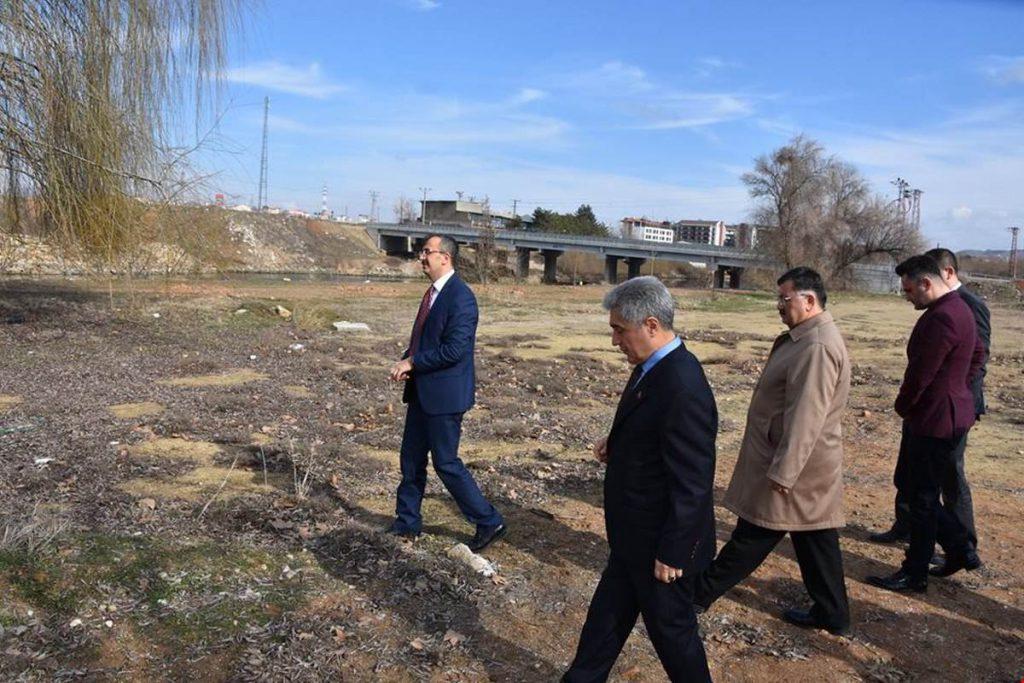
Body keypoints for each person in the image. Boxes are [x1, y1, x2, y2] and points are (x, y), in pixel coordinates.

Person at [564, 276, 717, 683]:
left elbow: (694, 481)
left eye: (619, 330)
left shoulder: (682, 384)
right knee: (604, 624)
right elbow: (652, 432)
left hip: (661, 550)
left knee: (673, 635)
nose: (614, 340)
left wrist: (674, 551)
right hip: (634, 536)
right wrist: (618, 443)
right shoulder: (652, 367)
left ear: (651, 325)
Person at [693, 267, 852, 636]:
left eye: (785, 298)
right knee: (816, 539)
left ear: (809, 300)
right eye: (778, 298)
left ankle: (698, 594)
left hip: (796, 464)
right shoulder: (807, 337)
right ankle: (833, 614)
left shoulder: (816, 346)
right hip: (800, 463)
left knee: (755, 533)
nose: (779, 306)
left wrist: (784, 471)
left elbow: (807, 416)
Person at [867, 255, 984, 593]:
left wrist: (904, 405)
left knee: (922, 497)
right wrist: (958, 386)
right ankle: (960, 549)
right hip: (949, 411)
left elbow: (921, 373)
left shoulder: (943, 318)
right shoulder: (959, 308)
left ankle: (916, 571)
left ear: (926, 283)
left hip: (935, 419)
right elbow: (974, 357)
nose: (907, 297)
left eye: (908, 290)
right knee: (924, 493)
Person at [387, 234, 506, 552]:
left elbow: (454, 350)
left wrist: (413, 361)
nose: (421, 258)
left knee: (446, 463)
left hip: (445, 396)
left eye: (427, 252)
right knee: (410, 461)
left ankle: (488, 520)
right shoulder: (432, 294)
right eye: (422, 252)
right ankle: (406, 523)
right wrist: (407, 358)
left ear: (446, 258)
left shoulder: (461, 297)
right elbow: (427, 341)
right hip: (421, 393)